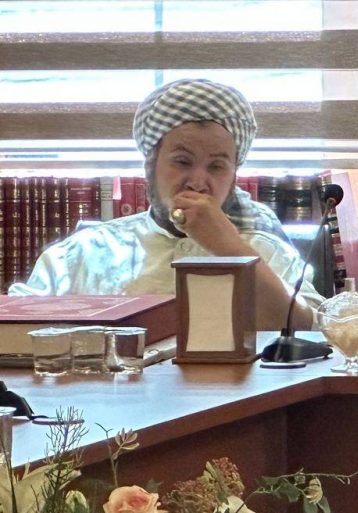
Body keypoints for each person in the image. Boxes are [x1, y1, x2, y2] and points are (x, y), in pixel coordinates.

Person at [9, 79, 318, 329]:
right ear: (150, 166)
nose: (197, 182)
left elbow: (312, 331)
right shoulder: (82, 254)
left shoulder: (269, 254)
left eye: (216, 166)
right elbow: (15, 327)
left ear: (234, 176)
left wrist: (230, 248)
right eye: (182, 161)